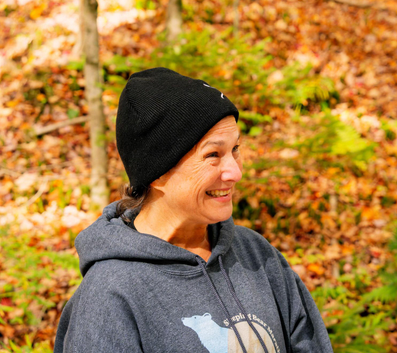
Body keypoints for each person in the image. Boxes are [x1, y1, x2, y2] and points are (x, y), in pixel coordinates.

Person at [54, 67, 333, 353]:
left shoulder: (255, 254)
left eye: (235, 148)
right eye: (213, 155)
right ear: (156, 173)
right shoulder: (111, 295)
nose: (234, 172)